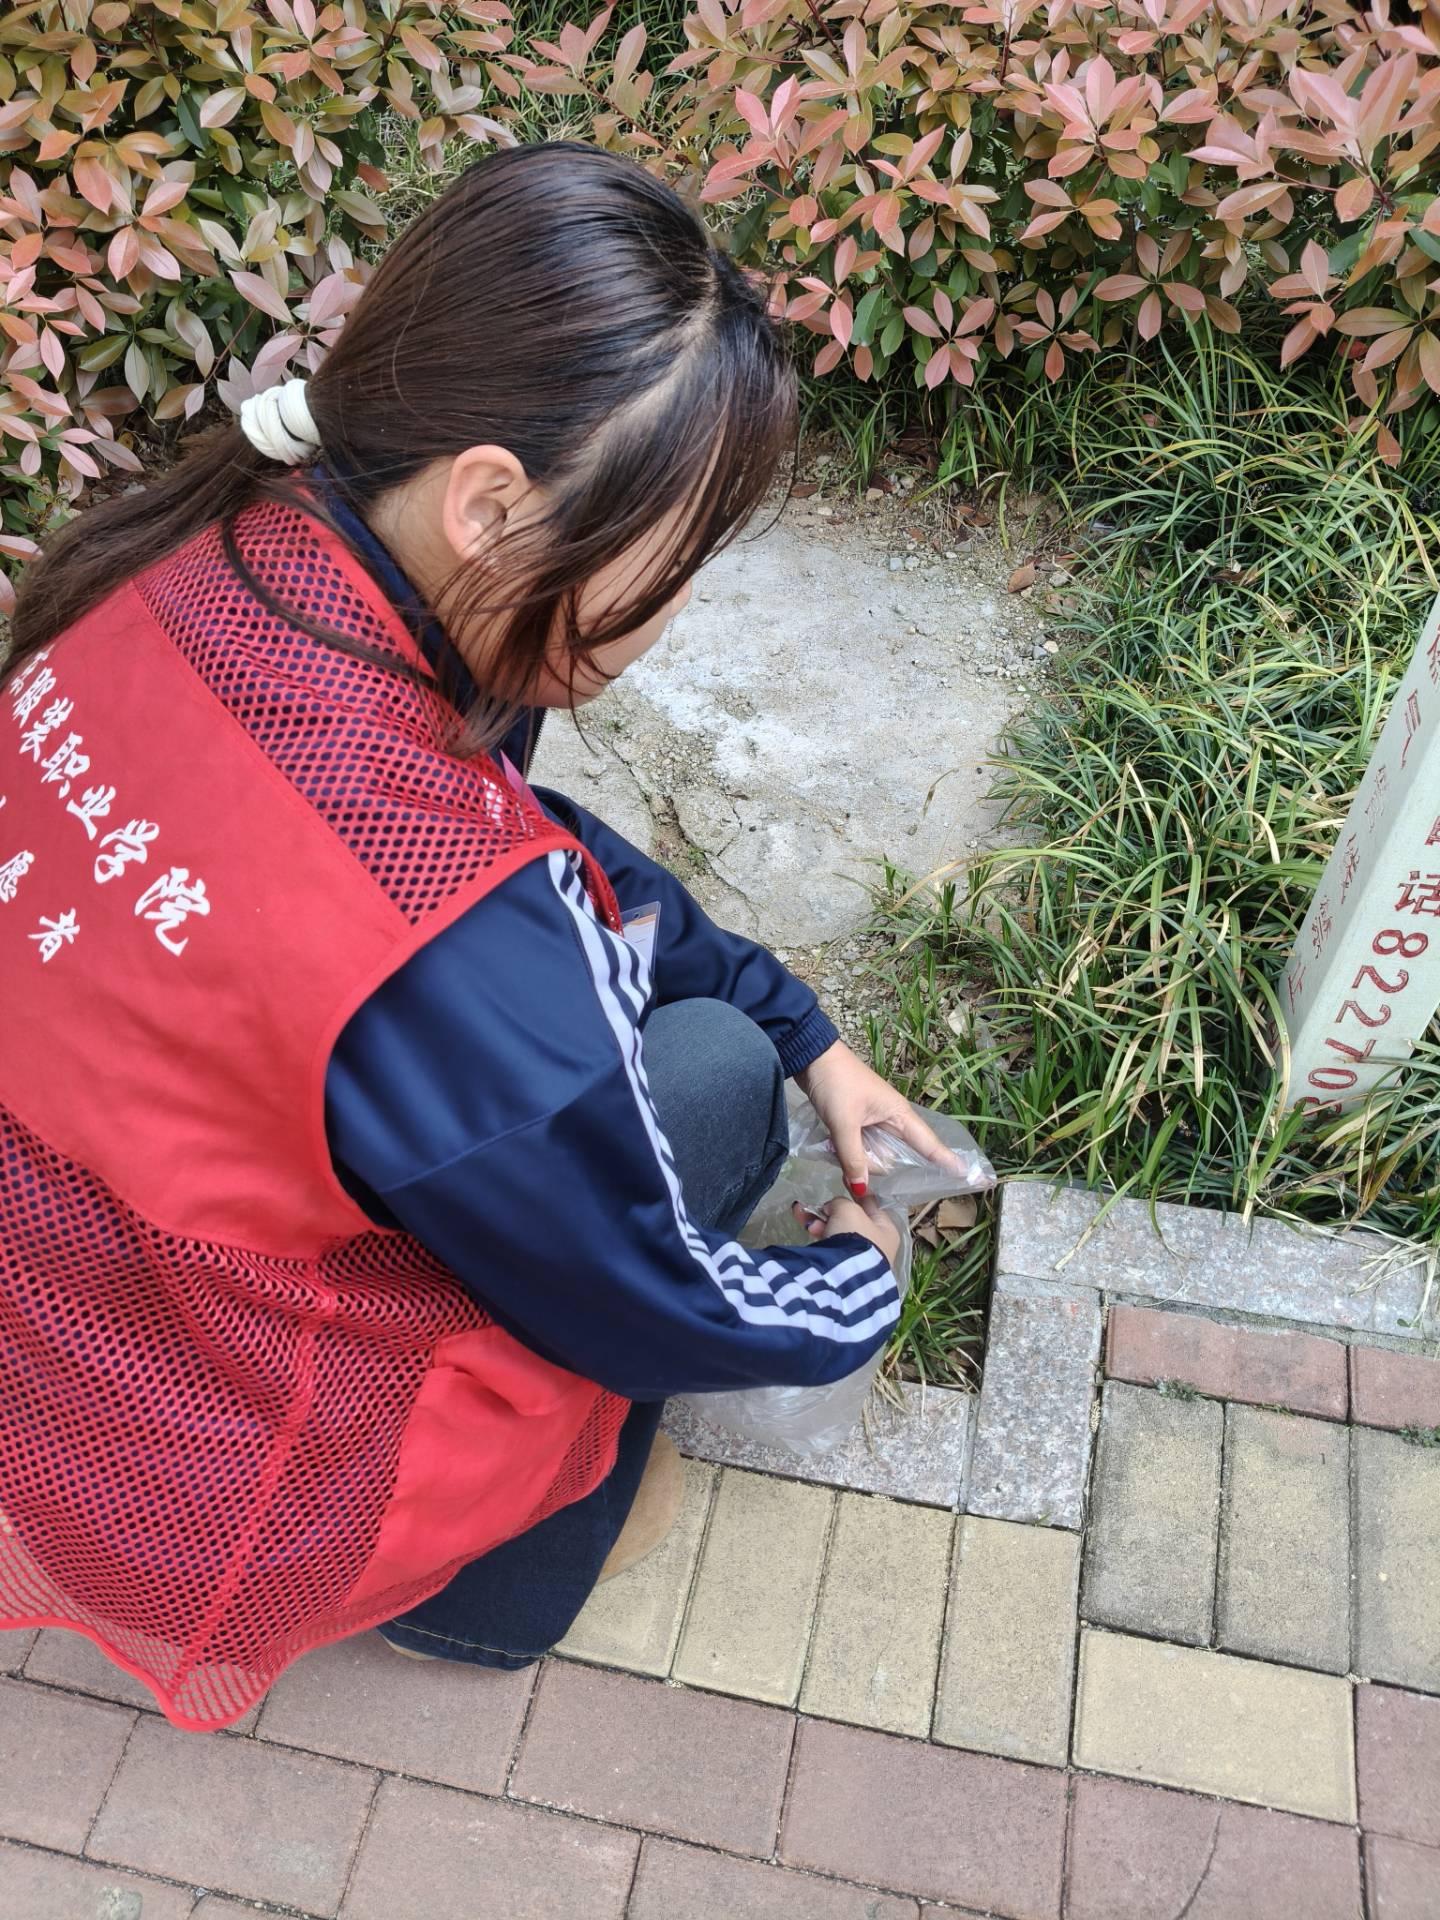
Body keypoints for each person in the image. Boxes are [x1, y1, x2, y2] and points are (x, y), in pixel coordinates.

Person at [0, 141, 951, 1731]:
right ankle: (481, 1608)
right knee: (708, 1082)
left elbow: (507, 849)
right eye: (675, 559)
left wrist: (809, 1022)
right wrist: (859, 1274)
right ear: (492, 501)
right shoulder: (440, 941)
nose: (675, 615)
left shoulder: (204, 557)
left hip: (61, 1346)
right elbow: (642, 1292)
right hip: (225, 1494)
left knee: (712, 1044)